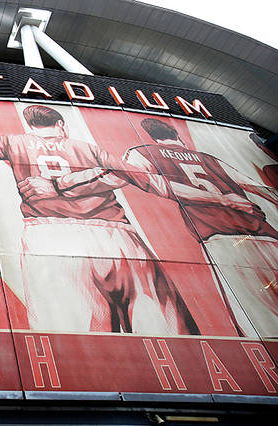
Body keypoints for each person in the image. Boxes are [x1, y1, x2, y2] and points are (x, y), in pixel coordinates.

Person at [0, 105, 196, 334]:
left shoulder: (12, 142)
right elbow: (131, 174)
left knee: (74, 338)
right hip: (115, 235)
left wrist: (55, 186)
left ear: (30, 126)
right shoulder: (87, 148)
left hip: (48, 238)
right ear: (61, 125)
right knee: (165, 327)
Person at [41, 117, 278, 336]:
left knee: (261, 321)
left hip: (221, 239)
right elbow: (261, 188)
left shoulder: (144, 153)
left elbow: (117, 177)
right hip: (267, 234)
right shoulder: (211, 158)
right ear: (178, 135)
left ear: (152, 136)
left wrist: (60, 185)